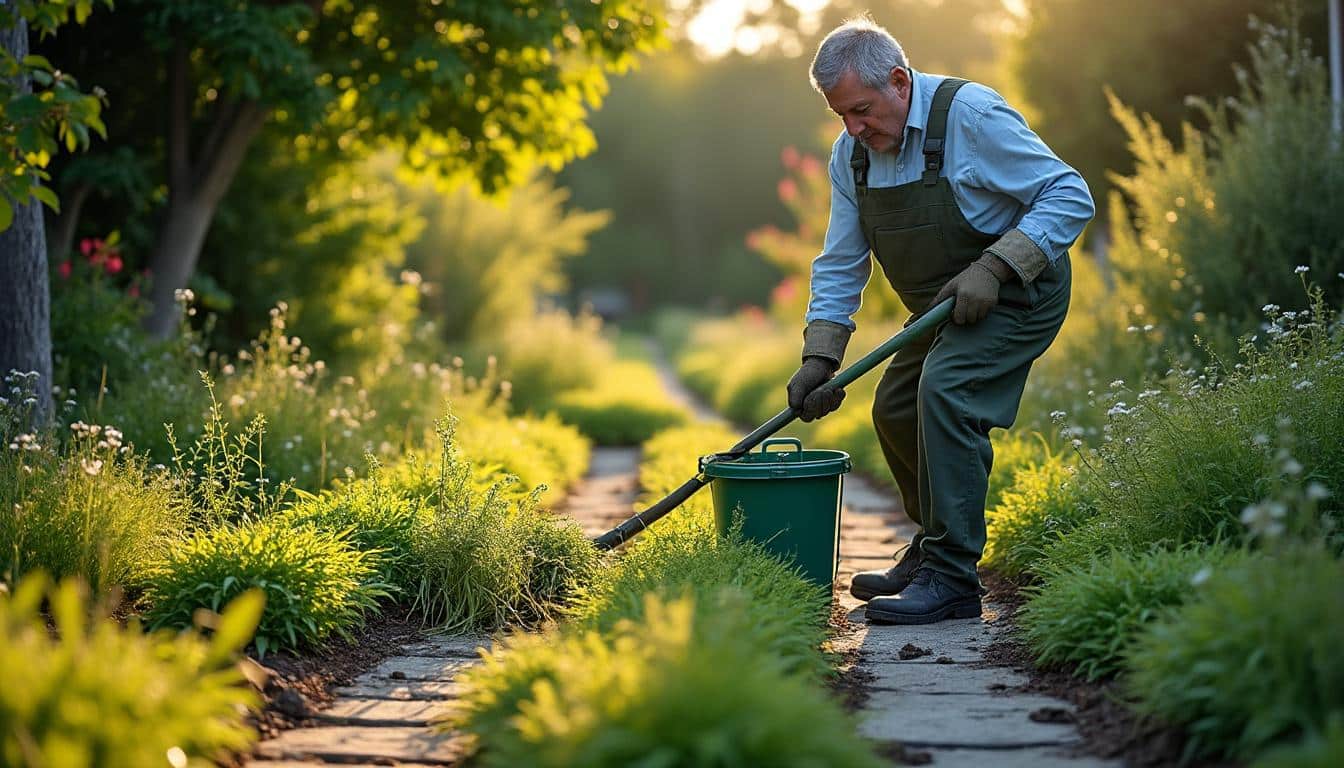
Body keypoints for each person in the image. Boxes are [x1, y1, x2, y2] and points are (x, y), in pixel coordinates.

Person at [787, 16, 1094, 625]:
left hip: (1019, 294)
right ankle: (932, 550)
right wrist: (820, 355)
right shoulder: (852, 156)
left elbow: (1069, 193)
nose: (854, 127)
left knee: (945, 391)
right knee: (895, 408)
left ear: (900, 81)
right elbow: (843, 259)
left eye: (863, 109)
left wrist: (999, 265)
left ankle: (953, 580)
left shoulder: (971, 118)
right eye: (841, 115)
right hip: (939, 311)